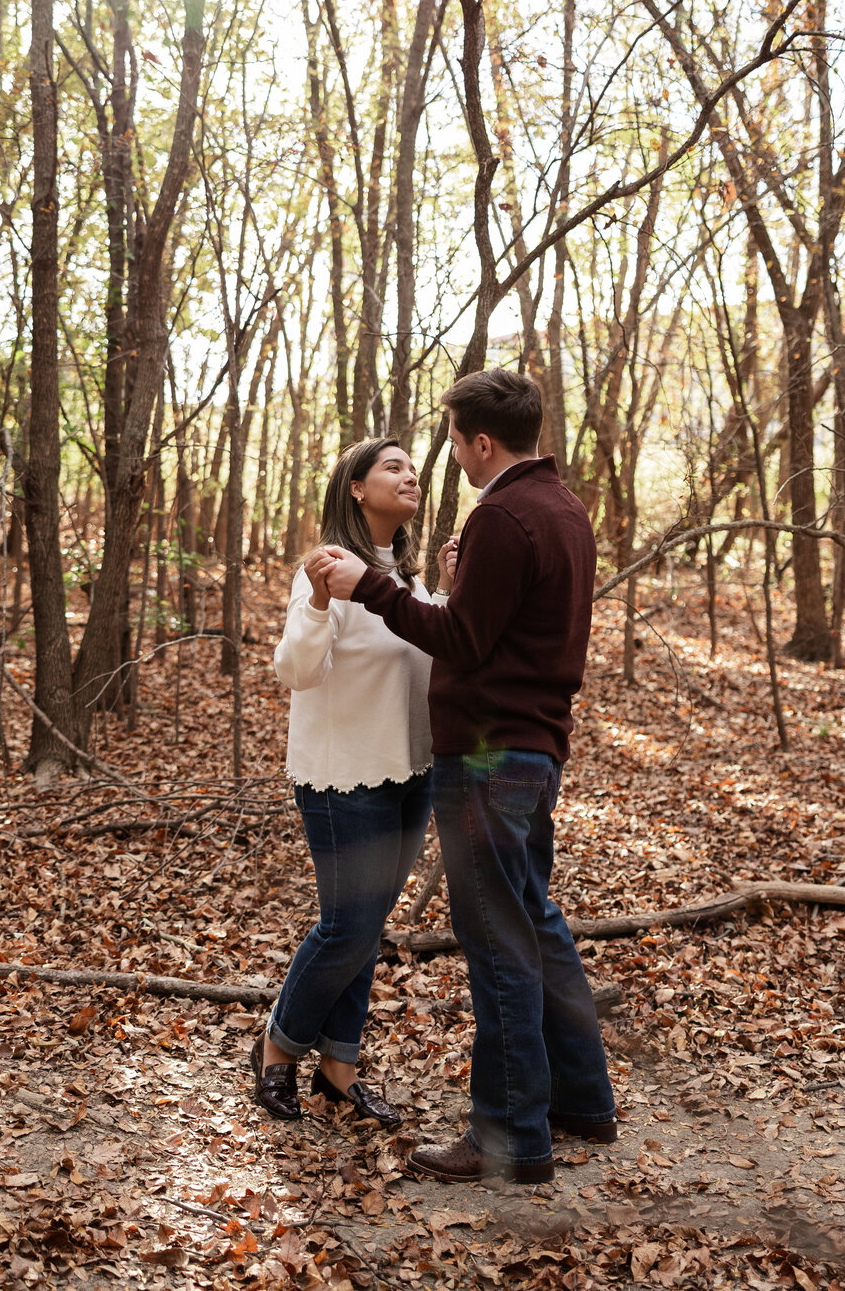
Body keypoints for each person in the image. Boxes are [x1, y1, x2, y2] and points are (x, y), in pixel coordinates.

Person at [318, 368, 616, 1184]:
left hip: (488, 755)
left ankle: (510, 1137)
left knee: (498, 944)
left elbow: (464, 644)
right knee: (538, 924)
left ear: (482, 442)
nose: (448, 457)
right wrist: (456, 586)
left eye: (451, 442)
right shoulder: (563, 511)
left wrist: (369, 584)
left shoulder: (504, 514)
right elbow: (493, 624)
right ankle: (584, 1103)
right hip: (533, 748)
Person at [251, 436, 456, 1128]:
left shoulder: (406, 575)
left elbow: (427, 658)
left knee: (367, 929)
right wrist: (312, 601)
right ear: (357, 489)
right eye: (392, 467)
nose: (410, 476)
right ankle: (277, 1049)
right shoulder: (331, 568)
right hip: (344, 778)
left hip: (410, 773)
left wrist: (450, 595)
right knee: (348, 926)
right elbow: (295, 672)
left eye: (413, 468)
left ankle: (339, 1070)